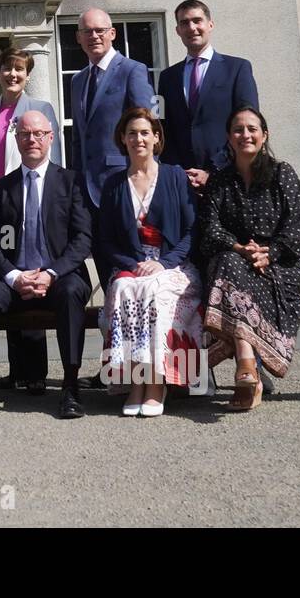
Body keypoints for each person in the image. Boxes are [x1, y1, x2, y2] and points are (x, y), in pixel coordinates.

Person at [0, 111, 92, 420]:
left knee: (73, 292)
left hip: (61, 276)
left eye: (38, 134)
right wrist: (14, 276)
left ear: (50, 137)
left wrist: (50, 273)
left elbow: (83, 238)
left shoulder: (71, 181)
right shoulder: (0, 187)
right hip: (15, 277)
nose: (31, 139)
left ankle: (70, 388)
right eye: (24, 134)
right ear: (16, 139)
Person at [0, 46, 63, 395]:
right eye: (6, 69)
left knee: (29, 272)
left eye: (19, 69)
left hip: (26, 204)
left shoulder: (40, 109)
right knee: (3, 281)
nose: (12, 75)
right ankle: (14, 369)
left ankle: (33, 372)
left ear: (28, 74)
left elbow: (54, 158)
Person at [196, 107, 300, 411]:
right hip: (235, 263)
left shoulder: (282, 173)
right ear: (228, 138)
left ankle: (249, 371)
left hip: (279, 267)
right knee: (228, 263)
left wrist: (269, 253)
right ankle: (248, 367)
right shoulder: (220, 181)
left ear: (264, 135)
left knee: (229, 271)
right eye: (238, 129)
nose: (245, 134)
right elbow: (209, 229)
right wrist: (239, 248)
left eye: (252, 129)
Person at [96, 108, 203, 418]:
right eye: (131, 133)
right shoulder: (114, 184)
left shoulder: (174, 177)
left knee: (155, 291)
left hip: (174, 266)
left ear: (157, 138)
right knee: (124, 288)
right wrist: (133, 262)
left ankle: (157, 382)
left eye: (145, 132)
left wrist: (164, 263)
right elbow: (104, 240)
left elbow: (190, 230)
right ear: (122, 139)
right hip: (132, 263)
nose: (138, 138)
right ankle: (134, 382)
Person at [68, 8, 154, 284]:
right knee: (106, 268)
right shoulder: (77, 80)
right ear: (78, 38)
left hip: (124, 185)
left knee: (133, 267)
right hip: (88, 192)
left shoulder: (132, 71)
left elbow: (146, 129)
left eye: (100, 30)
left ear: (112, 34)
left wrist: (147, 181)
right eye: (87, 31)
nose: (94, 36)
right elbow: (79, 137)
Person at [157, 0, 259, 190]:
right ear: (177, 30)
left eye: (197, 20)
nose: (191, 27)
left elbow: (248, 126)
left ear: (210, 24)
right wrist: (178, 172)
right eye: (184, 23)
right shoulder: (166, 78)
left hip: (228, 179)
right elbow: (160, 127)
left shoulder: (238, 69)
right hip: (182, 183)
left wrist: (213, 170)